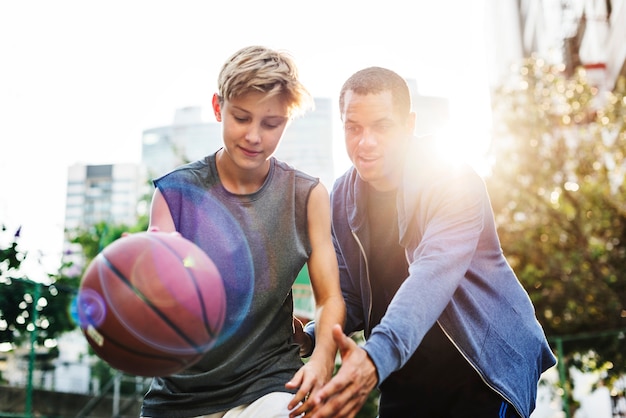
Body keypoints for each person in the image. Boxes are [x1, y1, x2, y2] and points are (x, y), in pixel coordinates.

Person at [296, 67, 556, 418]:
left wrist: (374, 358)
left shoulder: (452, 178)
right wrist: (311, 335)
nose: (365, 141)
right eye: (353, 127)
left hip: (481, 370)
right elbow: (352, 299)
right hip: (404, 373)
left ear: (409, 124)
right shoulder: (341, 197)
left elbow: (431, 275)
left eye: (382, 126)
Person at [140, 45, 345, 418]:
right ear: (218, 108)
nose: (254, 136)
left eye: (271, 124)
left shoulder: (308, 197)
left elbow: (329, 298)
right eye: (241, 117)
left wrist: (321, 359)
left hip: (269, 385)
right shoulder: (174, 194)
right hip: (181, 397)